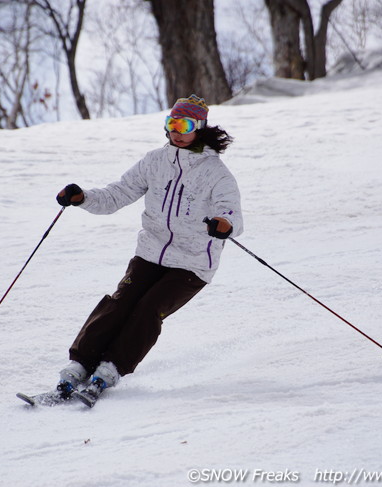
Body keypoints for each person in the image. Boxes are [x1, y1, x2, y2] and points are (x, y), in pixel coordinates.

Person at [54, 94, 243, 404]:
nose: (177, 131)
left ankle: (110, 369)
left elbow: (231, 211)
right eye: (172, 124)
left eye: (184, 125)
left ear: (200, 128)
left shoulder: (215, 172)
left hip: (192, 263)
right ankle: (79, 365)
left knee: (148, 308)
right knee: (121, 301)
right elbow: (118, 194)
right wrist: (83, 197)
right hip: (150, 252)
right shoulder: (155, 161)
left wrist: (224, 224)